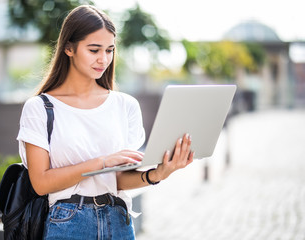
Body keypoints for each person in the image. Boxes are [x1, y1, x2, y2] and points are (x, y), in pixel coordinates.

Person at [16, 5, 194, 240]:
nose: (104, 59)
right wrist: (101, 162)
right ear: (69, 48)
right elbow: (40, 183)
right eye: (94, 50)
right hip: (68, 222)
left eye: (109, 50)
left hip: (118, 221)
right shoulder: (40, 108)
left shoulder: (125, 105)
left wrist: (158, 174)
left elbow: (118, 179)